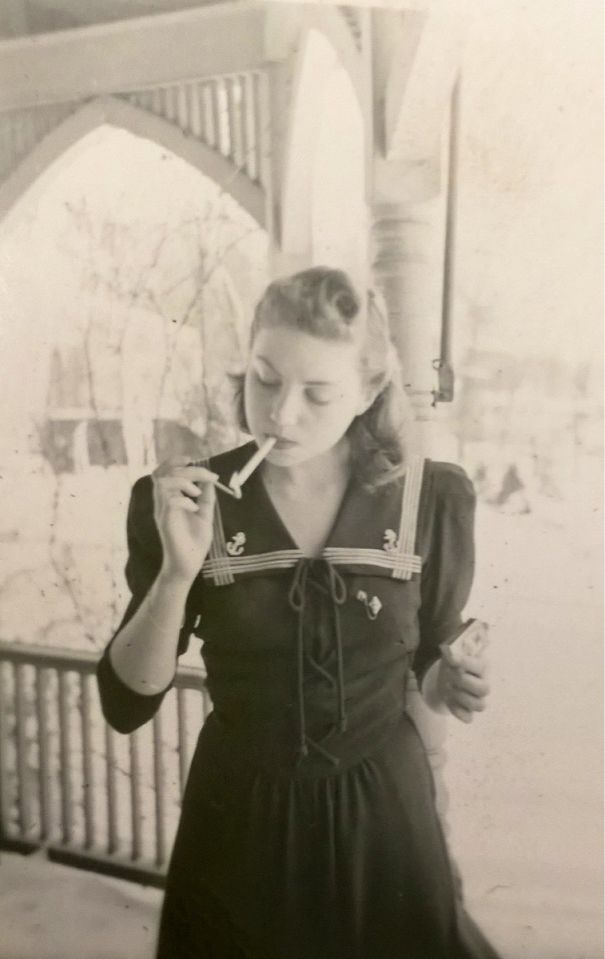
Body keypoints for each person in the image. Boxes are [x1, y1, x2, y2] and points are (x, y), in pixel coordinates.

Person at [97, 267, 500, 959]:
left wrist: (446, 676)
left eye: (317, 393)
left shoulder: (426, 498)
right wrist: (175, 571)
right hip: (239, 825)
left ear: (369, 391)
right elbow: (125, 704)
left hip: (385, 823)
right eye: (263, 378)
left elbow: (431, 648)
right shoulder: (189, 499)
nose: (281, 414)